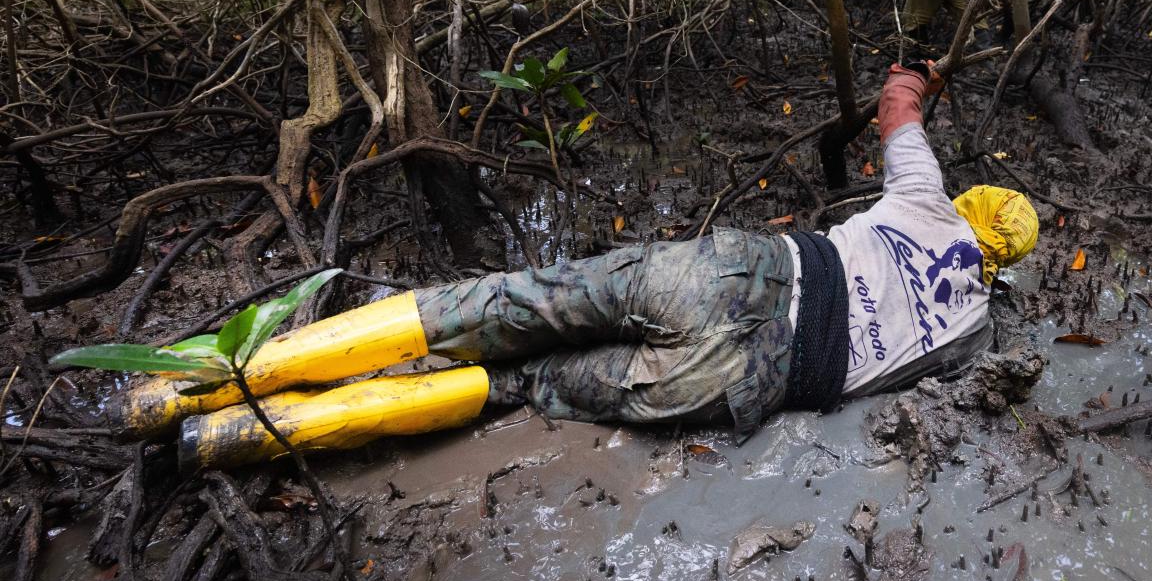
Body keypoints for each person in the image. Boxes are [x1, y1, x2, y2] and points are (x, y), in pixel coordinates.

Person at [112, 65, 1038, 468]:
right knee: (523, 385)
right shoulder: (975, 335)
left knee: (508, 301)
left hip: (741, 274)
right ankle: (217, 444)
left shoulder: (925, 197)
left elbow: (895, 104)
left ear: (968, 211)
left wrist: (922, 70)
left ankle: (187, 387)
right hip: (754, 377)